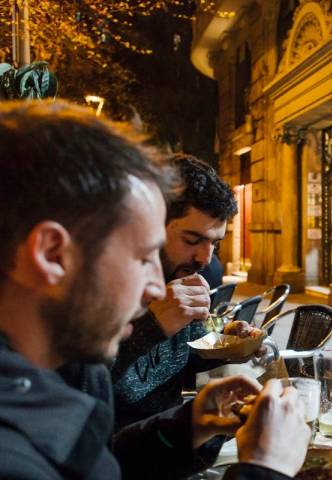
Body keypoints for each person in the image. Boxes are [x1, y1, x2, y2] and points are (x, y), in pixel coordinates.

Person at [0, 101, 309, 479]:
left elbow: (102, 464)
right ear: (51, 253)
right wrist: (265, 470)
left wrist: (189, 425)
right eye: (143, 255)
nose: (153, 286)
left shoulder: (50, 378)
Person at [111, 154, 246, 428]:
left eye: (215, 243)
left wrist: (230, 345)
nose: (205, 259)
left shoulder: (182, 277)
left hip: (169, 441)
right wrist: (151, 326)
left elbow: (190, 355)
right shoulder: (103, 291)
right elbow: (83, 388)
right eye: (192, 240)